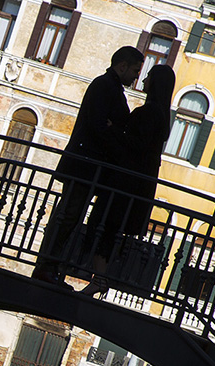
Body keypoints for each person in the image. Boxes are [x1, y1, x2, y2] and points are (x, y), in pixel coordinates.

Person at [32, 46, 144, 286]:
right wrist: (116, 133)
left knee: (69, 216)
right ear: (122, 65)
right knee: (68, 216)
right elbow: (99, 127)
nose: (136, 76)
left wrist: (114, 128)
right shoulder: (105, 87)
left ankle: (49, 266)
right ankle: (46, 266)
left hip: (86, 166)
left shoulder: (108, 87)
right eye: (135, 70)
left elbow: (111, 125)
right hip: (84, 166)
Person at [81, 63, 176, 295]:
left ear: (155, 84)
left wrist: (114, 130)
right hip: (139, 183)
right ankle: (99, 278)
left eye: (148, 78)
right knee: (111, 228)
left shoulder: (148, 113)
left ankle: (99, 279)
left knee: (105, 225)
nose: (143, 81)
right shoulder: (162, 116)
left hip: (125, 182)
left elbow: (136, 146)